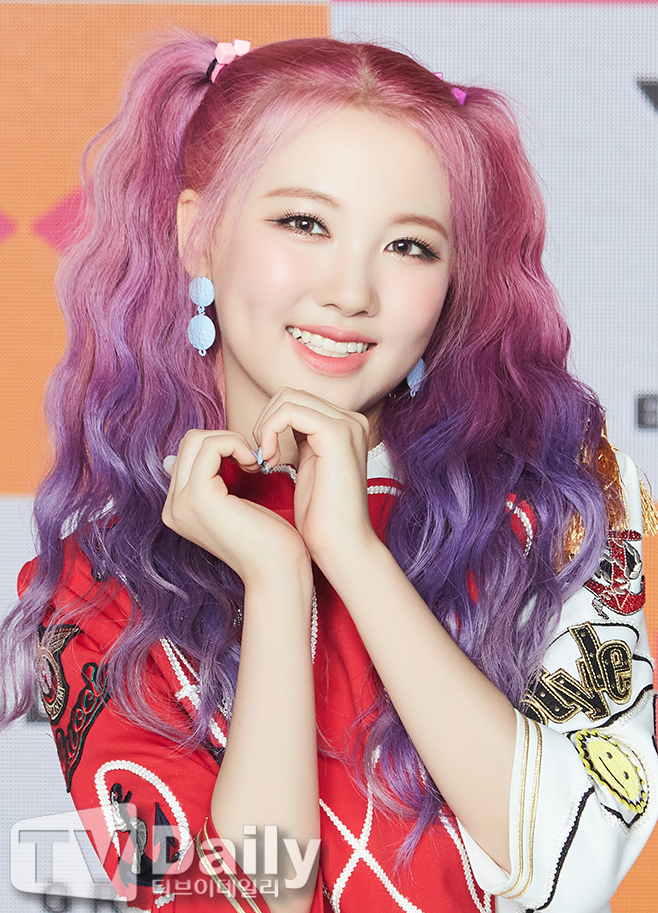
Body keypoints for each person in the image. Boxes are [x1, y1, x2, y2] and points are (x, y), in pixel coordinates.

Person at [1, 32, 657, 913]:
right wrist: (277, 581)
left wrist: (353, 553)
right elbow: (240, 900)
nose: (351, 291)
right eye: (304, 224)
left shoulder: (552, 503)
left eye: (411, 246)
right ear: (199, 233)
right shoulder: (100, 593)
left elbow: (576, 868)